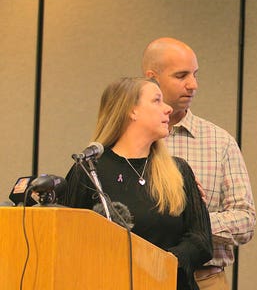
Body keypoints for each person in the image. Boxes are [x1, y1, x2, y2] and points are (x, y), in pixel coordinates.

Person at [62, 77, 213, 289]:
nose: (168, 109)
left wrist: (164, 261)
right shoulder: (89, 171)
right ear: (131, 111)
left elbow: (202, 240)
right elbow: (69, 242)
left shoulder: (178, 170)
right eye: (157, 100)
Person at [142, 37, 256, 289]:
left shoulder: (219, 141)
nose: (193, 85)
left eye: (194, 74)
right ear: (152, 78)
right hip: (138, 277)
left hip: (204, 279)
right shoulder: (129, 140)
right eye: (181, 75)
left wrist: (193, 221)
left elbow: (245, 221)